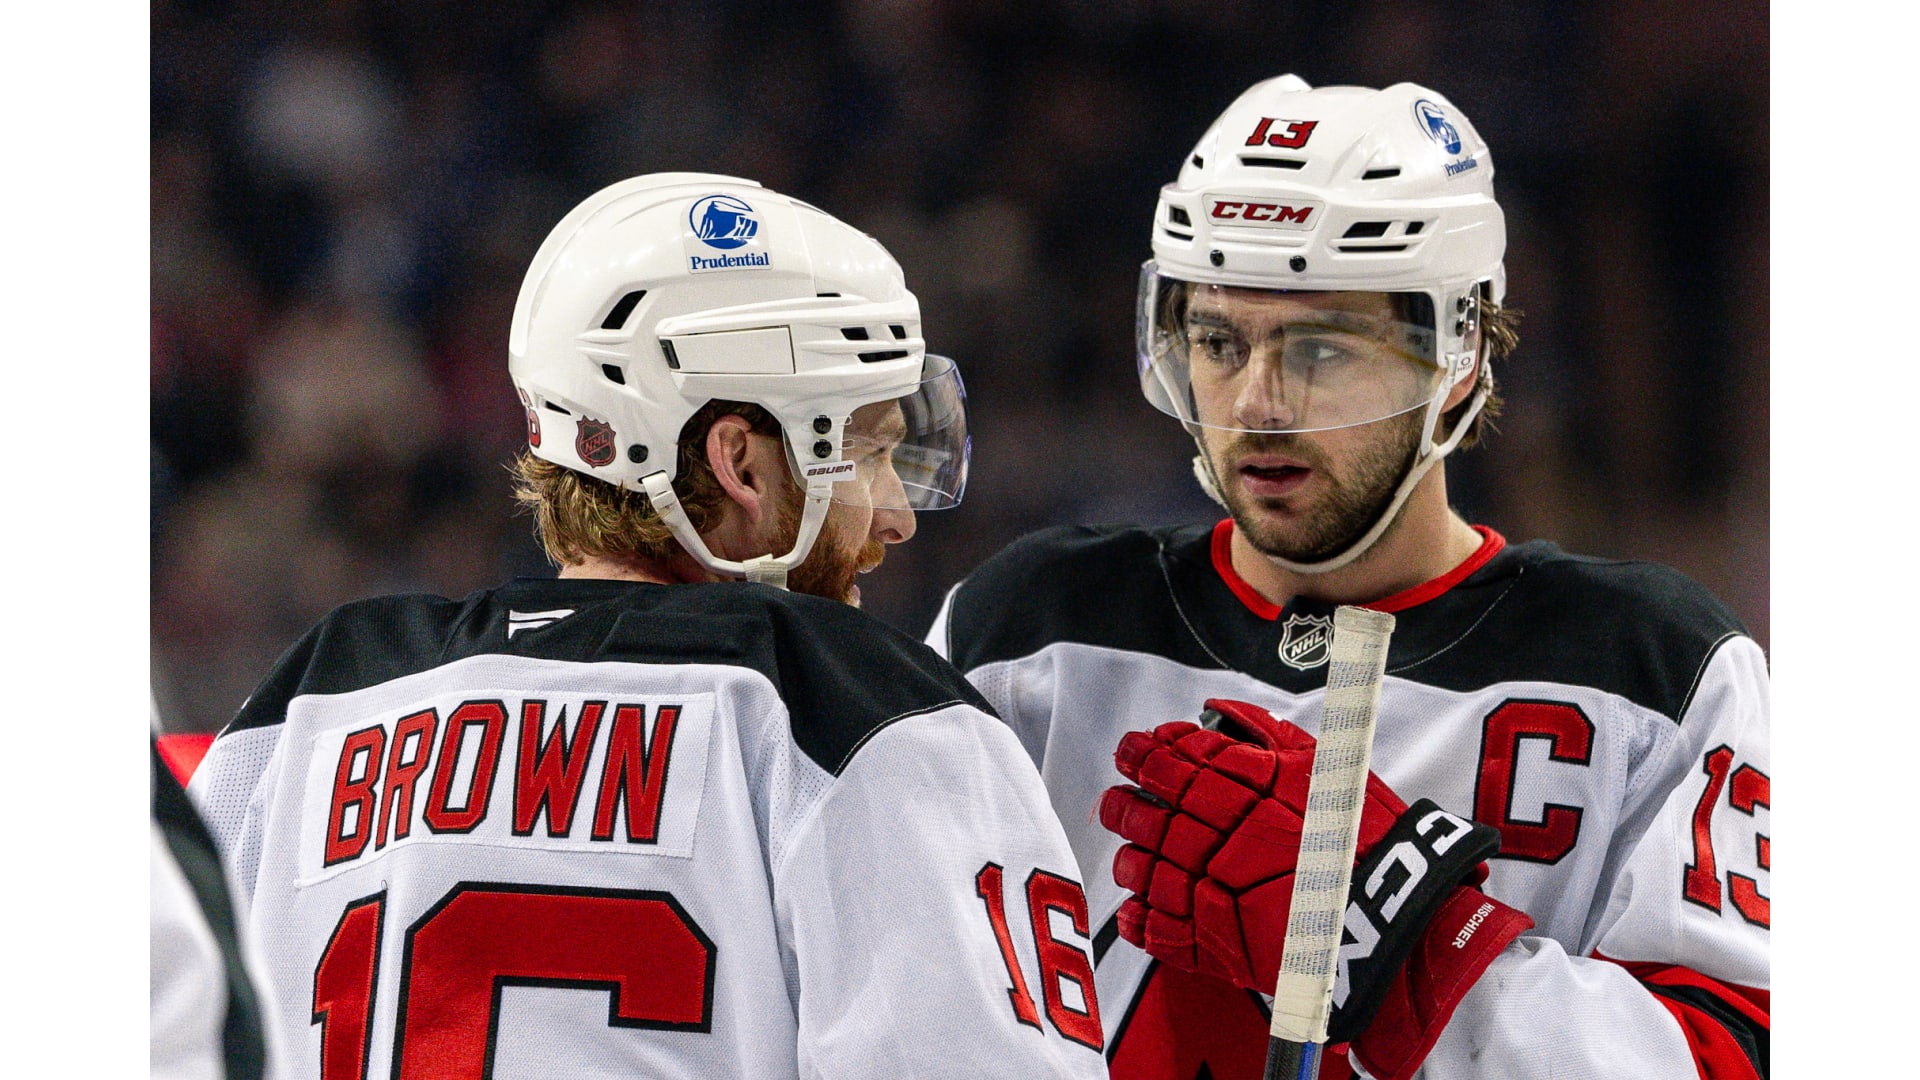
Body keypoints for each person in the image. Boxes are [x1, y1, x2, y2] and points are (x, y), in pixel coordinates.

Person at [927, 76, 1769, 1080]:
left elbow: (1739, 1055)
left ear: (1458, 355)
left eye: (1321, 348)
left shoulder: (1655, 672)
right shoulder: (1026, 633)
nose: (1258, 402)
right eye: (1218, 342)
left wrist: (1408, 938)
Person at [189, 173, 1107, 1079]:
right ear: (740, 462)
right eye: (866, 450)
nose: (896, 516)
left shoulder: (318, 692)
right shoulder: (851, 708)